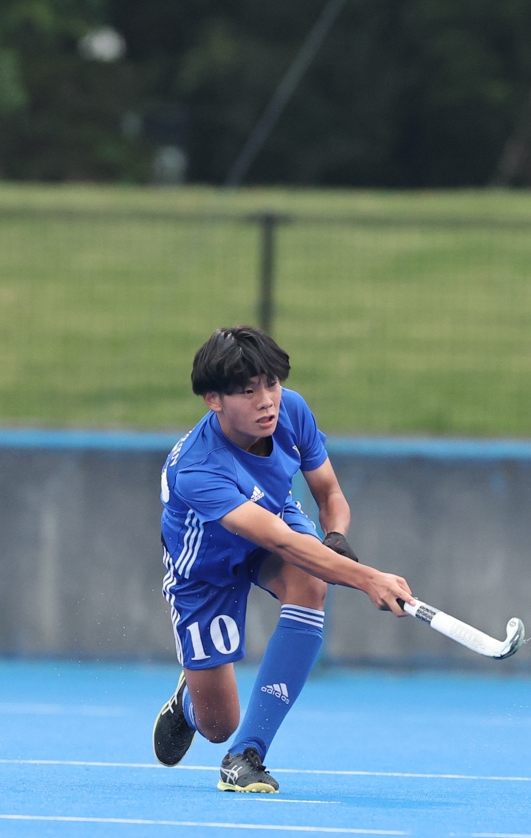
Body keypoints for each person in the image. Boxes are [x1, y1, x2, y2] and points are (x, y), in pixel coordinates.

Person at [150, 326, 414, 794]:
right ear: (213, 400)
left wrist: (334, 536)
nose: (267, 401)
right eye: (248, 391)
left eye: (271, 383)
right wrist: (369, 579)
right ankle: (190, 702)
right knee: (217, 724)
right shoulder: (198, 468)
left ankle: (247, 754)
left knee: (312, 583)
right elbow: (284, 542)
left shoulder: (292, 410)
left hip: (272, 519)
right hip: (205, 568)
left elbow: (329, 493)